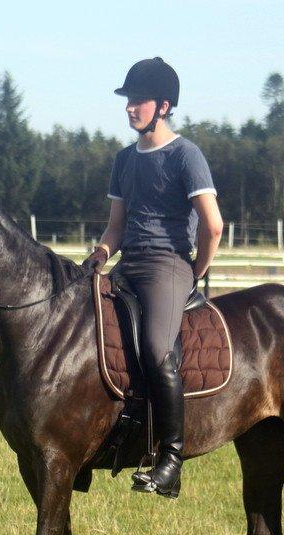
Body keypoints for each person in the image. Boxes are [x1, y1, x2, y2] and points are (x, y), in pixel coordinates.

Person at [82, 57, 224, 499]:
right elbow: (116, 227)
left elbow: (213, 224)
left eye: (137, 101)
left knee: (156, 348)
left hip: (168, 266)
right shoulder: (124, 159)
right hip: (127, 266)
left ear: (163, 105)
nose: (129, 108)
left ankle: (172, 458)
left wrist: (193, 271)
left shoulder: (186, 155)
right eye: (127, 101)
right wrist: (101, 253)